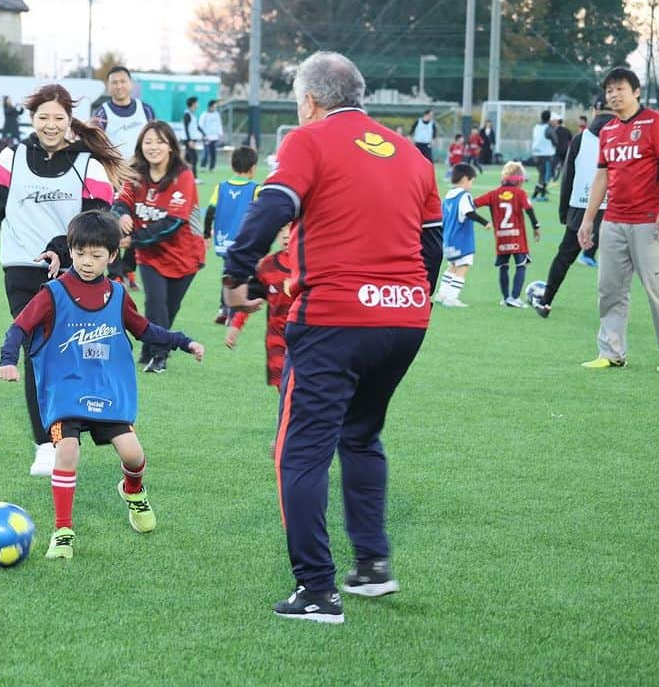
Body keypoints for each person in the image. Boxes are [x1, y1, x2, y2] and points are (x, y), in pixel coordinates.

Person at [223, 51, 444, 624]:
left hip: (335, 318)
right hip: (405, 319)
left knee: (298, 451)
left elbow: (275, 203)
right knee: (363, 436)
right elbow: (432, 246)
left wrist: (236, 272)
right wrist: (409, 301)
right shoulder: (412, 153)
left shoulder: (308, 139)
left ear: (310, 101)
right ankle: (371, 566)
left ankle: (317, 591)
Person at [0, 211, 205, 559]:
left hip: (106, 392)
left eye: (96, 255)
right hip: (66, 393)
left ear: (112, 256)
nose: (86, 262)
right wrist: (7, 360)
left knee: (133, 454)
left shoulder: (118, 295)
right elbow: (19, 327)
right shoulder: (53, 293)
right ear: (71, 252)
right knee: (66, 452)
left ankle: (133, 492)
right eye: (79, 254)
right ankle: (63, 531)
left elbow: (144, 329)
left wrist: (183, 341)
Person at [0, 82, 134, 477]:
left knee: (71, 352)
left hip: (74, 270)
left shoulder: (88, 164)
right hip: (22, 267)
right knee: (37, 350)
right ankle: (46, 444)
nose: (51, 125)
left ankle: (81, 426)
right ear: (32, 119)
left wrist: (61, 246)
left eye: (58, 118)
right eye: (43, 118)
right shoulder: (13, 156)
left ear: (69, 120)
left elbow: (97, 219)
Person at [577, 67, 659, 372]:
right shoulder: (609, 131)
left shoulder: (655, 122)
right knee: (609, 290)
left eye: (620, 89)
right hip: (613, 221)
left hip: (648, 221)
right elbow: (602, 176)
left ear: (636, 92)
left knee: (658, 288)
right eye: (609, 91)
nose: (613, 95)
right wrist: (588, 220)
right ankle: (611, 352)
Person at [113, 121, 204, 373]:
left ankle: (148, 348)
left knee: (168, 308)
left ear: (171, 147)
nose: (153, 147)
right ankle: (159, 357)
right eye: (148, 142)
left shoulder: (182, 176)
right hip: (150, 254)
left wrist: (133, 239)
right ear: (141, 146)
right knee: (155, 303)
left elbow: (172, 223)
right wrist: (121, 214)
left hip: (185, 255)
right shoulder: (136, 174)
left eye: (160, 142)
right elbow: (120, 201)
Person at [533, 96, 613, 318]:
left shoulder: (581, 138)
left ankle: (546, 301)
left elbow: (568, 177)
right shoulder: (623, 136)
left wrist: (564, 213)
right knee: (619, 261)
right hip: (614, 207)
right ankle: (612, 312)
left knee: (565, 256)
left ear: (595, 110)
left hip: (581, 206)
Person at [91, 65, 155, 290]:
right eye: (114, 82)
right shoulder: (102, 113)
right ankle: (116, 273)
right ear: (109, 86)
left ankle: (130, 269)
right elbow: (95, 145)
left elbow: (154, 139)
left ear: (131, 84)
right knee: (114, 223)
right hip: (115, 178)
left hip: (141, 178)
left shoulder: (145, 110)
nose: (118, 86)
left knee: (142, 221)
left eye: (122, 81)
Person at [225, 223, 293, 390]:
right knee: (283, 388)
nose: (285, 234)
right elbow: (250, 299)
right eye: (280, 229)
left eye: (291, 228)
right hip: (277, 339)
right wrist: (235, 326)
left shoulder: (314, 264)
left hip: (309, 337)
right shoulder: (267, 266)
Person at [474, 161, 541, 307]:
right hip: (517, 237)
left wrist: (480, 220)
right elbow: (529, 210)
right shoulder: (520, 193)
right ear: (519, 179)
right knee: (521, 266)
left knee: (503, 267)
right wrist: (536, 227)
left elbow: (473, 204)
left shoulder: (493, 194)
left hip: (501, 238)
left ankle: (505, 298)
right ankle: (515, 298)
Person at [205, 145, 259, 323]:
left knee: (229, 271)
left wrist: (207, 234)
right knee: (242, 273)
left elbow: (210, 211)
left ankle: (223, 309)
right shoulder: (255, 189)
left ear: (232, 166)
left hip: (223, 239)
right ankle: (233, 311)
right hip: (244, 241)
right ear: (253, 168)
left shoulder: (221, 187)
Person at [434, 163, 488, 308]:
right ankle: (452, 298)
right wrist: (485, 222)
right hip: (462, 239)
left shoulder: (448, 196)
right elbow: (469, 212)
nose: (471, 184)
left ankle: (442, 294)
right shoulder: (464, 196)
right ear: (465, 179)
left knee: (452, 266)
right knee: (463, 266)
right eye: (471, 181)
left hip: (448, 238)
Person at [530, 109, 556, 201]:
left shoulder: (536, 127)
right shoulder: (548, 128)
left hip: (536, 154)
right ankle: (536, 195)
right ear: (549, 118)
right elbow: (555, 140)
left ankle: (541, 194)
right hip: (546, 155)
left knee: (541, 175)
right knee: (545, 176)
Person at [198, 99, 224, 172]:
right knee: (206, 153)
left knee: (213, 153)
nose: (215, 108)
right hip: (207, 137)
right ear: (210, 107)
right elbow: (200, 126)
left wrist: (220, 134)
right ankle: (203, 166)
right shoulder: (204, 114)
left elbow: (219, 125)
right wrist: (204, 135)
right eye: (214, 106)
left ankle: (212, 167)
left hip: (214, 137)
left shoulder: (217, 114)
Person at [182, 96, 201, 182]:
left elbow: (196, 127)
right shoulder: (187, 114)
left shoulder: (192, 115)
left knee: (187, 159)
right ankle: (194, 177)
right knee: (194, 158)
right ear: (193, 104)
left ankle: (183, 176)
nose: (198, 104)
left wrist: (204, 135)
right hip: (188, 140)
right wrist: (189, 140)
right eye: (196, 103)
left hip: (192, 140)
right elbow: (186, 128)